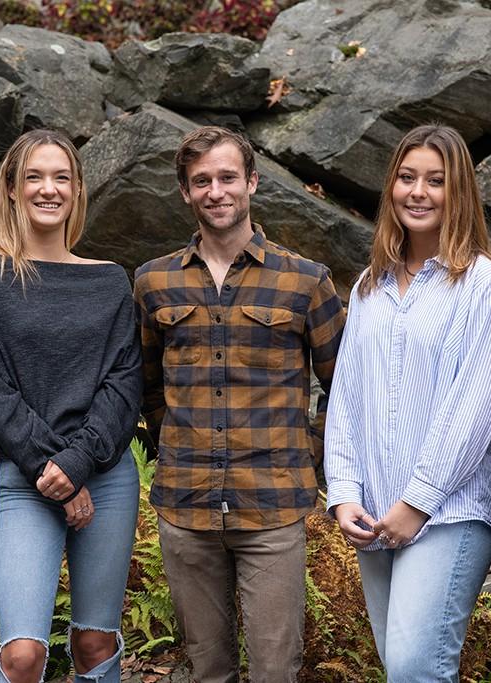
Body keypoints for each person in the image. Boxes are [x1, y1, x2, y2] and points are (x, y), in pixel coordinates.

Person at [134, 126, 346, 683]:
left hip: (273, 508)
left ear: (251, 182)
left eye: (228, 177)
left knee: (276, 670)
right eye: (201, 181)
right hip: (186, 508)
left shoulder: (305, 280)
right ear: (184, 192)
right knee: (207, 670)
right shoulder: (152, 281)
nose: (216, 191)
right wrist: (174, 446)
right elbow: (147, 384)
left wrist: (309, 455)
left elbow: (345, 388)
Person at [324, 124, 491, 682]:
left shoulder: (480, 282)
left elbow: (476, 407)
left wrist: (419, 501)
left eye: (436, 181)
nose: (419, 192)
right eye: (407, 178)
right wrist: (343, 494)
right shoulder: (369, 285)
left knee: (415, 668)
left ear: (459, 193)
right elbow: (346, 401)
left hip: (450, 511)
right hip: (374, 515)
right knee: (403, 668)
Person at [0, 129, 142, 683]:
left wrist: (78, 464)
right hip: (27, 475)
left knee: (94, 642)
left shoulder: (110, 281)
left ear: (78, 190)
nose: (48, 189)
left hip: (106, 476)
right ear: (11, 188)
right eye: (34, 176)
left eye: (61, 177)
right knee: (22, 657)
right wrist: (52, 470)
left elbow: (123, 384)